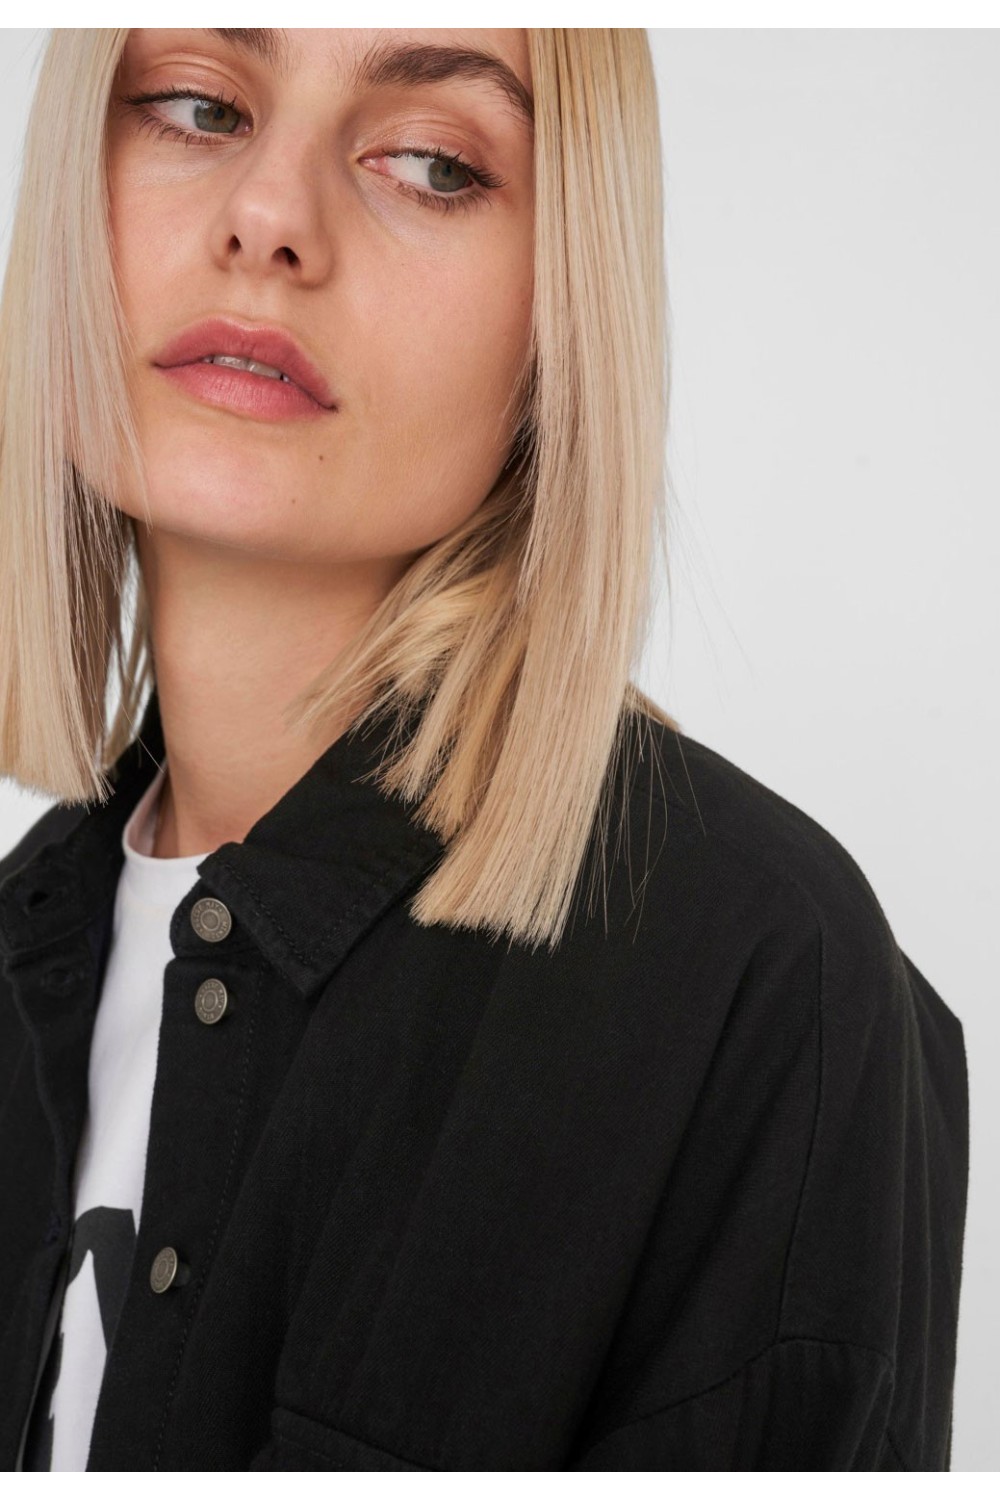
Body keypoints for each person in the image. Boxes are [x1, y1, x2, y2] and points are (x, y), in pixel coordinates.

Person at [0, 27, 969, 1472]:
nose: (268, 216)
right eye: (197, 106)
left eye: (434, 164)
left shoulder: (758, 984)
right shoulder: (27, 939)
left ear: (565, 304)